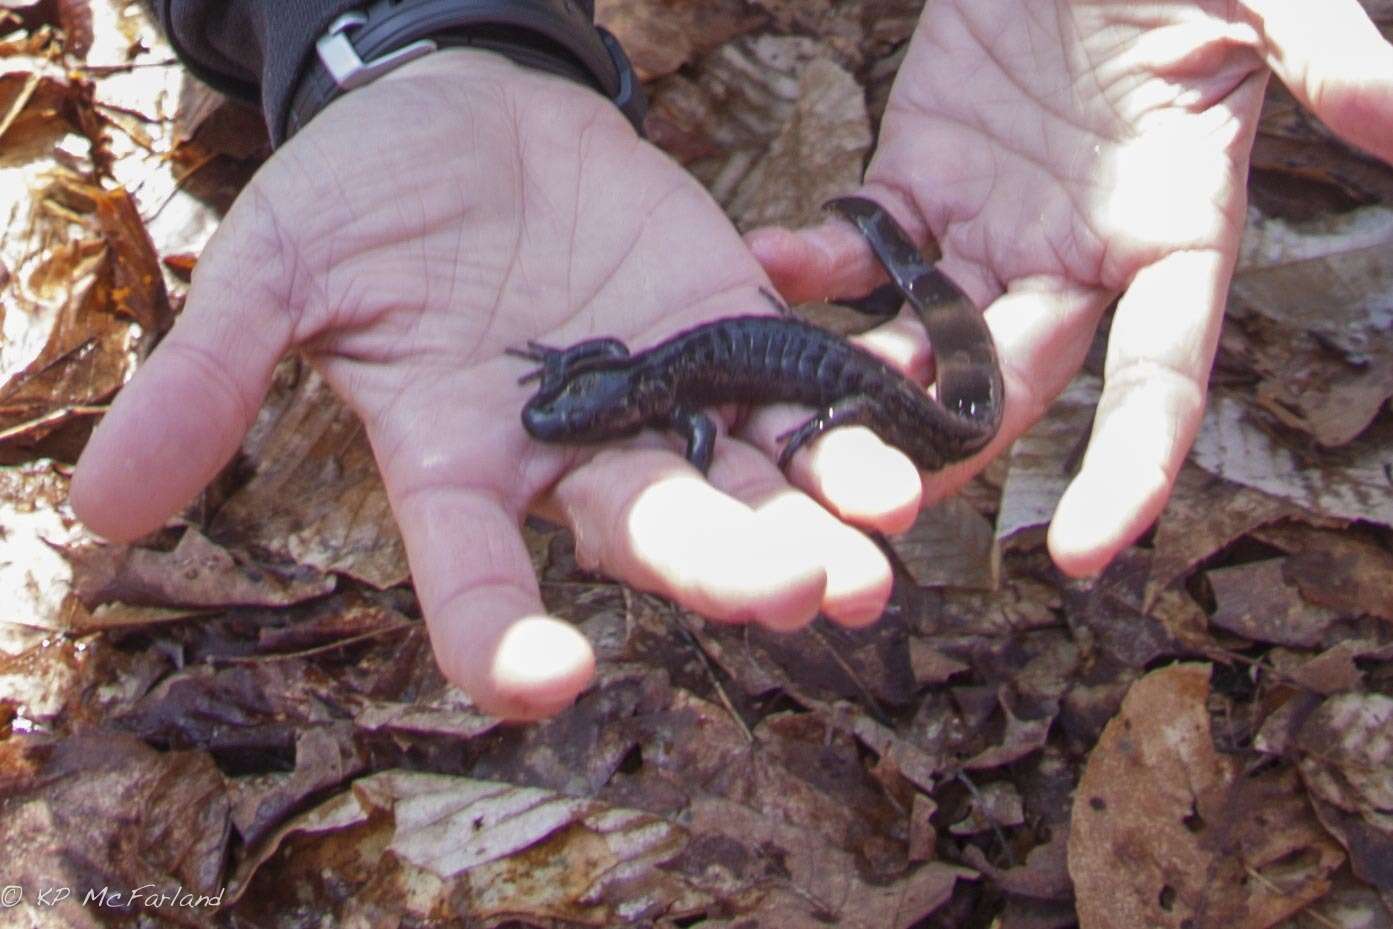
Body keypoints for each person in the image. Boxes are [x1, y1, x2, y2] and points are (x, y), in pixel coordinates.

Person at [72, 0, 1393, 719]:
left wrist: (684, 409)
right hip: (783, 359)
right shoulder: (627, 391)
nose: (567, 408)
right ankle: (902, 291)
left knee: (858, 394)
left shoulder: (651, 403)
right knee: (846, 382)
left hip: (801, 367)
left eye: (571, 405)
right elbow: (609, 380)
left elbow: (657, 403)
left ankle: (901, 300)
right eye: (567, 407)